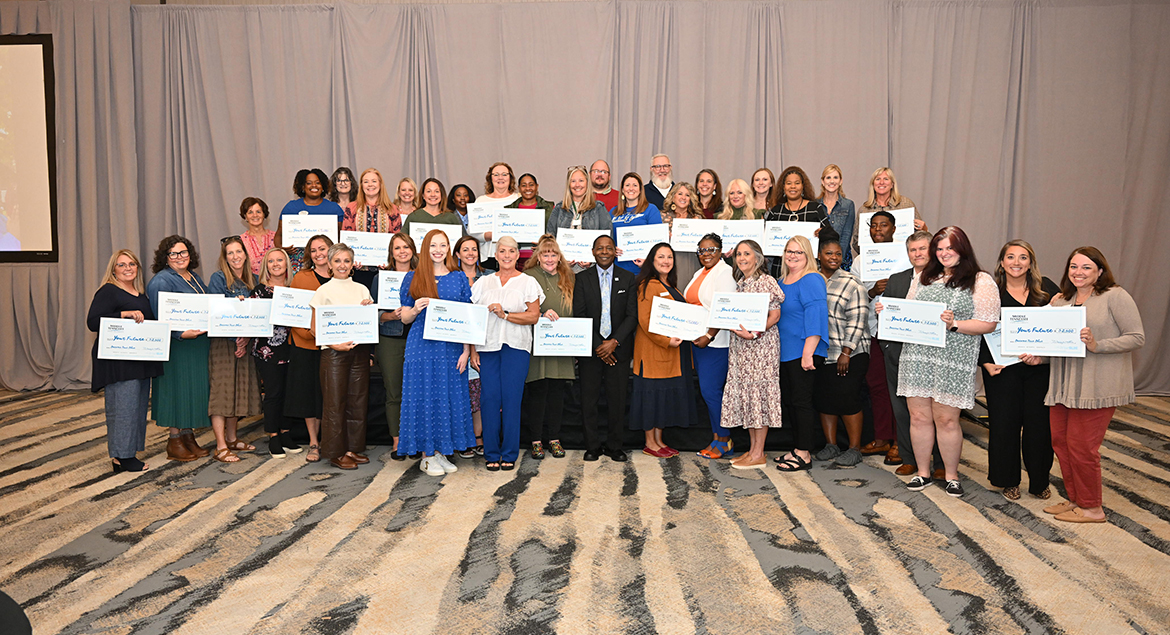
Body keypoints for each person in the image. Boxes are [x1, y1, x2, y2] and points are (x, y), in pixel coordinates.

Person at [885, 226, 999, 498]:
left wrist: (955, 325)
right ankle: (923, 472)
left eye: (950, 247)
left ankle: (951, 475)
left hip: (953, 358)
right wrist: (888, 310)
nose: (944, 253)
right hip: (917, 355)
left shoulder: (980, 280)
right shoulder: (925, 276)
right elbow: (909, 310)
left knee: (947, 420)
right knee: (920, 417)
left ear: (963, 248)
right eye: (939, 248)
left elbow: (989, 322)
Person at [1042, 247, 1144, 523]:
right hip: (1063, 384)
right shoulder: (1061, 301)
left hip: (1097, 385)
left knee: (1082, 447)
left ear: (1100, 270)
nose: (1078, 272)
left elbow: (1136, 337)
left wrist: (1098, 345)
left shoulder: (1115, 296)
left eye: (1086, 267)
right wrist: (1035, 354)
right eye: (1073, 266)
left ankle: (1092, 508)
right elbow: (1050, 340)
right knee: (1061, 442)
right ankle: (1075, 498)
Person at [978, 239, 1060, 500]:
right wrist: (984, 362)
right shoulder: (990, 290)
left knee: (1040, 427)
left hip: (1039, 370)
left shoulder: (1047, 289)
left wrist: (1044, 357)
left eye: (1023, 257)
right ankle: (1007, 480)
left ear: (1031, 262)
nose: (1016, 262)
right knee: (1004, 426)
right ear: (1002, 262)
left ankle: (1039, 481)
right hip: (1002, 369)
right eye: (1010, 257)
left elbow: (1060, 326)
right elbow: (978, 327)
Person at [398, 230, 476, 476]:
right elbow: (404, 317)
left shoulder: (459, 277)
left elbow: (466, 316)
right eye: (433, 245)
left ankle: (440, 451)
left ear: (449, 248)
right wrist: (415, 309)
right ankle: (426, 456)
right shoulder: (412, 277)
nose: (438, 249)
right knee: (424, 396)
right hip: (421, 346)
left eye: (443, 245)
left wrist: (465, 351)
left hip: (451, 347)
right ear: (425, 248)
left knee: (447, 396)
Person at [87, 250, 164, 472]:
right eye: (122, 265)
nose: (127, 268)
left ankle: (129, 452)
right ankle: (121, 457)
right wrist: (124, 314)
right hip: (118, 362)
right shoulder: (109, 291)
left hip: (140, 360)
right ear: (114, 270)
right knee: (123, 408)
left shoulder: (141, 295)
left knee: (137, 409)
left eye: (132, 264)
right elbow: (93, 321)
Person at [874, 230, 942, 477]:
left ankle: (941, 463)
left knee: (935, 410)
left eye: (922, 249)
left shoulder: (944, 280)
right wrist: (883, 314)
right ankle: (909, 456)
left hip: (933, 355)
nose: (917, 254)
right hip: (898, 353)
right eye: (913, 250)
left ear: (932, 250)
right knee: (902, 408)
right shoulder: (897, 279)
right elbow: (887, 316)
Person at [472, 236, 543, 470]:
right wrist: (472, 350)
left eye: (511, 251)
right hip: (487, 347)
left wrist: (506, 315)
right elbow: (473, 320)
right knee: (489, 399)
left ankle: (510, 453)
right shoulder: (483, 283)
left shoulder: (528, 282)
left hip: (516, 347)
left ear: (517, 254)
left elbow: (533, 316)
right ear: (496, 253)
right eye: (502, 251)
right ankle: (492, 453)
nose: (506, 255)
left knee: (512, 400)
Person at [309, 243, 375, 470]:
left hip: (358, 351)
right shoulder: (323, 291)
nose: (342, 265)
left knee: (357, 401)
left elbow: (367, 323)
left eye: (346, 261)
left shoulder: (362, 290)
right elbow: (314, 329)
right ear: (329, 264)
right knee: (335, 404)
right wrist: (335, 345)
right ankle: (336, 453)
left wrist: (368, 308)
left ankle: (352, 448)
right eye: (337, 261)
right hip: (333, 354)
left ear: (352, 264)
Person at [146, 235, 211, 462]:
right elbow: (157, 318)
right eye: (173, 254)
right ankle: (174, 441)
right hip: (177, 347)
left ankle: (187, 435)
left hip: (197, 345)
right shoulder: (161, 281)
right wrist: (179, 334)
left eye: (183, 252)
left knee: (190, 391)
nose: (179, 257)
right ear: (165, 258)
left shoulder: (193, 277)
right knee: (176, 390)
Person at [630, 242, 697, 457]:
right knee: (651, 398)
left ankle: (659, 440)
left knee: (662, 399)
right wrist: (666, 341)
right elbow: (645, 320)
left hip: (672, 354)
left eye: (669, 257)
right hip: (653, 353)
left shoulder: (671, 285)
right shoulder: (647, 285)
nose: (666, 261)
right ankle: (650, 443)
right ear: (652, 260)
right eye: (661, 257)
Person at [722, 240, 785, 469]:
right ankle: (752, 450)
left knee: (758, 396)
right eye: (738, 254)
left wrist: (754, 334)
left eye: (747, 253)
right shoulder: (740, 284)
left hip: (761, 347)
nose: (741, 258)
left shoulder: (766, 281)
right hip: (741, 348)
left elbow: (774, 315)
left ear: (757, 257)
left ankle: (759, 453)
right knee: (748, 396)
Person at [573, 235, 635, 461]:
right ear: (592, 252)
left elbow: (631, 315)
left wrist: (613, 343)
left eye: (609, 248)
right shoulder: (582, 279)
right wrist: (600, 345)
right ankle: (592, 446)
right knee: (588, 400)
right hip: (591, 349)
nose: (605, 252)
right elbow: (579, 314)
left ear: (614, 251)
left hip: (618, 348)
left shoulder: (628, 278)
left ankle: (614, 446)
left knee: (616, 400)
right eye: (600, 248)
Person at [813, 230, 870, 466]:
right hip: (821, 353)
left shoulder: (851, 282)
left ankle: (854, 448)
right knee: (825, 400)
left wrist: (846, 352)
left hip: (850, 352)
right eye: (829, 253)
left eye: (838, 253)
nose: (834, 257)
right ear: (819, 255)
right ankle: (831, 445)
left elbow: (858, 319)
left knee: (847, 399)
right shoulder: (812, 279)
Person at [773, 235, 829, 473]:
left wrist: (808, 353)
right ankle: (797, 448)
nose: (792, 255)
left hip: (804, 351)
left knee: (802, 403)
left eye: (798, 252)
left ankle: (805, 453)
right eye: (789, 251)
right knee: (793, 403)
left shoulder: (812, 279)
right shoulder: (780, 281)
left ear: (808, 255)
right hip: (785, 352)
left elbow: (816, 316)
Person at [206, 237, 263, 463]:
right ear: (224, 257)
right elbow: (216, 311)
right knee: (222, 392)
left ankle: (232, 438)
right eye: (230, 253)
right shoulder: (218, 279)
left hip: (245, 343)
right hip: (223, 343)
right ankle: (220, 446)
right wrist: (236, 337)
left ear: (246, 254)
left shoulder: (254, 279)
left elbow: (258, 314)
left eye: (239, 252)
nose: (235, 256)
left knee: (239, 390)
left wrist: (245, 338)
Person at [683, 233, 737, 458]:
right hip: (699, 342)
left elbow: (725, 307)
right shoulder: (701, 272)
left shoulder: (724, 273)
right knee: (709, 393)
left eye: (711, 250)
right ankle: (716, 439)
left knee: (712, 392)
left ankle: (725, 440)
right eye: (702, 250)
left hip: (716, 343)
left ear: (721, 251)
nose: (706, 254)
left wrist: (710, 335)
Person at [521, 235, 575, 459]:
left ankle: (554, 438)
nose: (550, 258)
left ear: (559, 256)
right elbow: (521, 307)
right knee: (537, 392)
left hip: (562, 344)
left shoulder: (568, 276)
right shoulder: (528, 276)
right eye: (545, 254)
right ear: (538, 256)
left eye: (554, 254)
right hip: (537, 343)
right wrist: (541, 314)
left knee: (556, 393)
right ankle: (535, 440)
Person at [249, 247, 303, 459]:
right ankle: (273, 436)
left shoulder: (295, 289)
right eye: (271, 261)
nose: (276, 264)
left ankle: (286, 433)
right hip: (267, 351)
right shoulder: (259, 292)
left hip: (293, 347)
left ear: (287, 264)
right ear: (266, 266)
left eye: (280, 260)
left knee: (290, 393)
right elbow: (250, 320)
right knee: (273, 393)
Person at [286, 234, 334, 463]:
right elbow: (294, 315)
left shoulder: (343, 276)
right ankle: (314, 442)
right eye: (313, 250)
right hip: (305, 345)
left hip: (333, 348)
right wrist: (310, 334)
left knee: (328, 395)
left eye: (322, 248)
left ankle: (329, 440)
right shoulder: (301, 278)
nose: (318, 254)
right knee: (308, 396)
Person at [370, 232, 418, 460]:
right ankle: (397, 441)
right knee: (394, 392)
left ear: (412, 250)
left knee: (417, 392)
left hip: (418, 338)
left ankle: (416, 438)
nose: (402, 251)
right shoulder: (381, 278)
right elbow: (372, 312)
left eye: (406, 247)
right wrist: (389, 316)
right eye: (398, 248)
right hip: (390, 338)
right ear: (392, 252)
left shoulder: (421, 276)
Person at [860, 212, 902, 465]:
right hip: (873, 330)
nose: (878, 229)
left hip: (900, 330)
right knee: (876, 384)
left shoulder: (906, 257)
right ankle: (883, 437)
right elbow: (856, 292)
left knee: (899, 386)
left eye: (883, 225)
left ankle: (900, 440)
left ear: (894, 228)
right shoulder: (861, 259)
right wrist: (871, 291)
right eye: (874, 225)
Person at [454, 235, 492, 458]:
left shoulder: (488, 277)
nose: (470, 253)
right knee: (461, 392)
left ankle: (478, 436)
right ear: (457, 254)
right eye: (465, 249)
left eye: (474, 249)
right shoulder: (451, 278)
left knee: (478, 391)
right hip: (456, 341)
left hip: (484, 340)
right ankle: (463, 438)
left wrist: (475, 347)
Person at [275, 168, 344, 271]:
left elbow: (341, 237)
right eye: (309, 183)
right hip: (297, 261)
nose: (314, 186)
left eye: (318, 183)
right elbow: (278, 235)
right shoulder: (291, 207)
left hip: (326, 260)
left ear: (323, 186)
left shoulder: (334, 208)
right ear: (303, 187)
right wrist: (282, 248)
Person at [546, 166, 612, 270]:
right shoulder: (559, 208)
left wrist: (592, 259)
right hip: (563, 270)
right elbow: (550, 238)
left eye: (581, 180)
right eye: (573, 181)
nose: (577, 185)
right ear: (568, 184)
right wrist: (560, 258)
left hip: (591, 270)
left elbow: (607, 239)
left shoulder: (598, 208)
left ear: (587, 183)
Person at [852, 167, 925, 256]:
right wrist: (870, 254)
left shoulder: (906, 204)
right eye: (878, 179)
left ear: (892, 184)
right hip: (874, 260)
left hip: (903, 258)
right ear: (873, 184)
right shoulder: (864, 209)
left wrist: (924, 228)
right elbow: (856, 241)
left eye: (886, 179)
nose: (881, 182)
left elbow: (921, 236)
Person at [470, 162, 522, 265]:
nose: (500, 178)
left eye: (504, 174)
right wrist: (488, 235)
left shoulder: (518, 199)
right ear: (490, 178)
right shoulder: (481, 201)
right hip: (488, 257)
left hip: (513, 256)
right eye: (496, 175)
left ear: (510, 178)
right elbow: (472, 232)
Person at [610, 172, 663, 273]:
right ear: (622, 190)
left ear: (640, 190)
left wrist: (648, 262)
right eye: (627, 185)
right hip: (618, 268)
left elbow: (657, 241)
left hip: (642, 268)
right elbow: (607, 237)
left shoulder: (651, 209)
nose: (631, 188)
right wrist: (612, 247)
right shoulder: (613, 212)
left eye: (635, 185)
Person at [504, 173, 556, 266]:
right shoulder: (509, 210)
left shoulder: (550, 207)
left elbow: (555, 233)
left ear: (537, 186)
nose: (528, 188)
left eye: (531, 185)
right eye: (524, 185)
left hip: (543, 259)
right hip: (515, 259)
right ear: (519, 188)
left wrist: (544, 243)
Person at [342, 168, 403, 235]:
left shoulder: (392, 209)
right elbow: (347, 237)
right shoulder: (351, 208)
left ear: (380, 184)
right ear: (362, 185)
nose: (370, 184)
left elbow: (397, 238)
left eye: (374, 181)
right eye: (366, 182)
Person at [662, 182, 703, 283]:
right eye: (680, 194)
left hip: (692, 261)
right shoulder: (662, 217)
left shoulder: (697, 218)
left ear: (691, 200)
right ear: (673, 197)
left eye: (687, 195)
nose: (683, 197)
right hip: (669, 262)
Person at [818, 164, 855, 272]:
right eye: (828, 177)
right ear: (822, 181)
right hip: (820, 260)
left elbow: (846, 235)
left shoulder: (848, 205)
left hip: (842, 260)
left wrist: (838, 259)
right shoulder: (814, 205)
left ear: (840, 181)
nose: (832, 181)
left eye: (835, 177)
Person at [238, 197, 275, 276]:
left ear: (264, 214)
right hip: (251, 285)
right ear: (245, 216)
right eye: (250, 212)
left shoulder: (276, 237)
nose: (255, 215)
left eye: (258, 212)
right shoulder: (240, 241)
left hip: (275, 284)